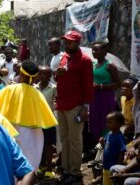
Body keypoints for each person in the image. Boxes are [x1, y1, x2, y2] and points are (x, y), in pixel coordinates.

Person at [0, 60, 58, 170]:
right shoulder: (37, 94)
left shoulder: (8, 90)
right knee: (30, 162)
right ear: (34, 77)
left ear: (21, 73)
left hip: (10, 129)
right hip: (33, 133)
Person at [55, 30, 94, 184]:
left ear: (78, 43)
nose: (67, 43)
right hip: (62, 104)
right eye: (66, 41)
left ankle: (75, 172)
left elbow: (88, 85)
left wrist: (85, 107)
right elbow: (58, 78)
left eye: (70, 41)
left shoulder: (85, 60)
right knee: (64, 138)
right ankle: (66, 169)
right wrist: (57, 74)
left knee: (75, 139)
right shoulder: (64, 57)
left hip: (76, 105)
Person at [90, 41, 121, 142]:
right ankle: (97, 147)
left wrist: (101, 86)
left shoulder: (110, 66)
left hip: (106, 97)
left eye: (96, 49)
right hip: (94, 98)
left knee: (105, 121)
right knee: (95, 121)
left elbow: (118, 84)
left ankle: (107, 145)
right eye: (92, 50)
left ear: (104, 51)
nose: (93, 52)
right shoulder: (93, 65)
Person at [34, 65, 57, 178]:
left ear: (50, 76)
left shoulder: (53, 88)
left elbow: (57, 100)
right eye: (40, 74)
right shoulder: (34, 88)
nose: (42, 76)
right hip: (37, 120)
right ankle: (41, 166)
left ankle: (49, 169)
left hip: (48, 120)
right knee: (39, 144)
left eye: (45, 74)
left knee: (48, 145)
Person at [100, 112, 126, 185]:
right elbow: (105, 147)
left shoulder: (119, 137)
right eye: (107, 122)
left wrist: (119, 165)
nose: (107, 124)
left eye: (110, 122)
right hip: (105, 166)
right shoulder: (108, 134)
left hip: (113, 167)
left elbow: (122, 151)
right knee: (106, 183)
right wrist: (102, 143)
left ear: (118, 124)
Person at [121, 76, 138, 141]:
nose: (123, 88)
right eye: (123, 86)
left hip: (134, 129)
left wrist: (131, 126)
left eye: (127, 86)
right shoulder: (122, 98)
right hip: (125, 126)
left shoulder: (136, 102)